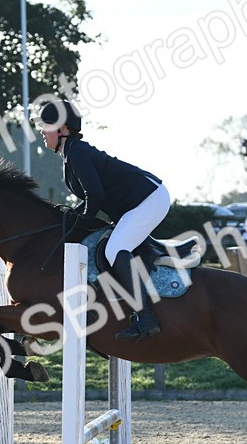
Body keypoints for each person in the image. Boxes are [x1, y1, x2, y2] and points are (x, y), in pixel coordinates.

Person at [37, 99, 169, 341]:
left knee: (115, 249)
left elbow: (95, 195)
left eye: (46, 125)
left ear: (63, 129)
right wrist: (74, 215)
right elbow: (93, 197)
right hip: (140, 201)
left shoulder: (76, 153)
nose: (41, 131)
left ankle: (145, 318)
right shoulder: (71, 153)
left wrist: (82, 218)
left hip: (149, 199)